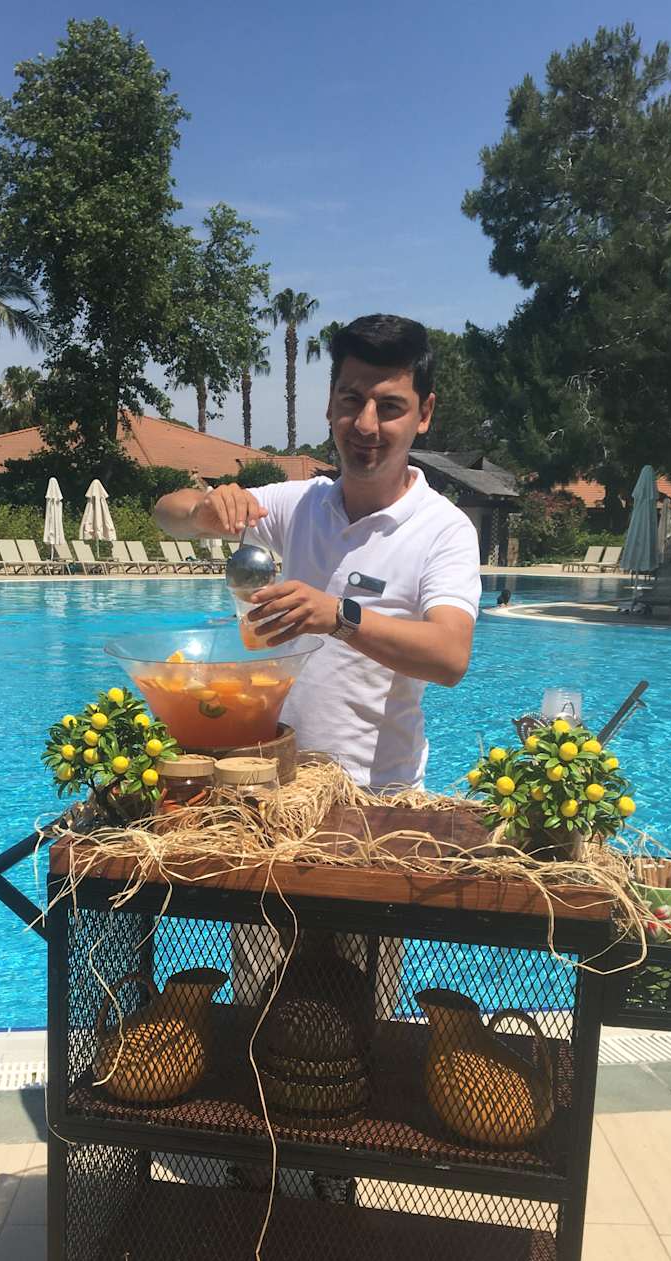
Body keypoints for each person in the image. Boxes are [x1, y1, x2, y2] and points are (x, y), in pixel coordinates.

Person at [156, 314, 481, 1199]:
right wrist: (210, 501)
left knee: (355, 1019)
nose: (365, 424)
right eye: (350, 401)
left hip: (375, 817)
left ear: (422, 414)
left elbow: (449, 655)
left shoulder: (442, 529)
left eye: (389, 405)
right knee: (262, 995)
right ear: (331, 406)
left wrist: (337, 613)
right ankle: (255, 1161)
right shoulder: (294, 504)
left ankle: (336, 1181)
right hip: (267, 800)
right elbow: (166, 515)